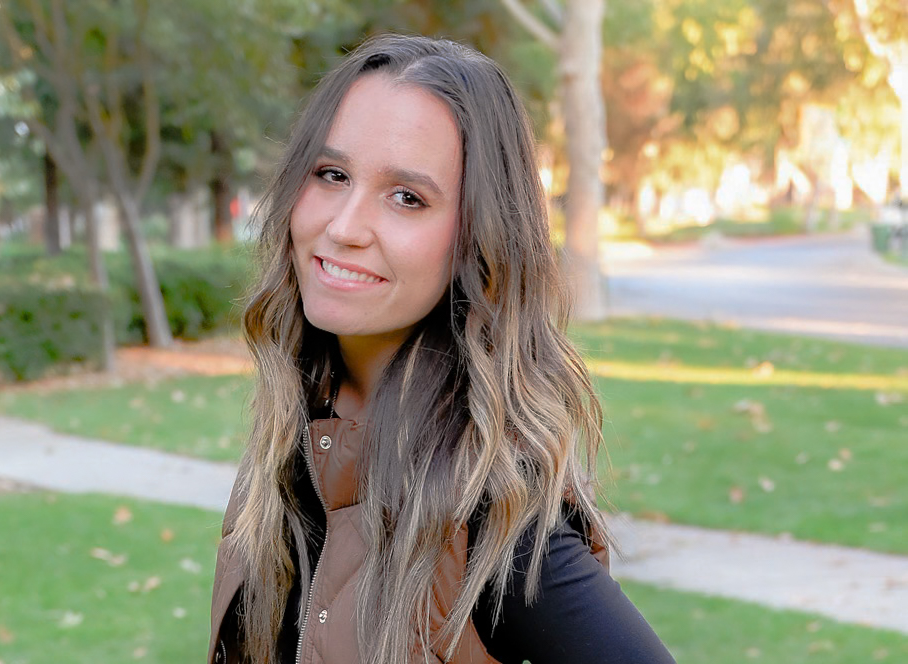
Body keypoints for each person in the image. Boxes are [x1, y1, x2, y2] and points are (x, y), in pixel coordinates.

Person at [209, 34, 675, 664]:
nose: (343, 227)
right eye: (332, 174)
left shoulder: (484, 513)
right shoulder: (298, 432)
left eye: (407, 197)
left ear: (477, 240)